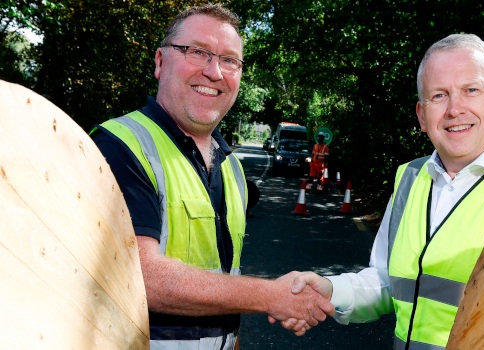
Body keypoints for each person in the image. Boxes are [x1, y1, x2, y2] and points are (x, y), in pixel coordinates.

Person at [278, 34, 484, 349]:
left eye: (471, 90)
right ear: (422, 116)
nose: (454, 109)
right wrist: (331, 291)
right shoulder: (410, 177)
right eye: (439, 95)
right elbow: (386, 283)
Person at [90, 4, 333, 349]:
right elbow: (140, 276)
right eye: (197, 52)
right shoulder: (120, 146)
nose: (214, 72)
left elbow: (223, 274)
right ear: (161, 62)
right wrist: (271, 296)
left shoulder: (232, 166)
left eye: (230, 60)